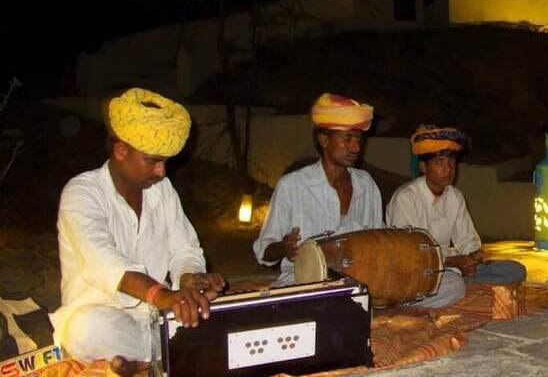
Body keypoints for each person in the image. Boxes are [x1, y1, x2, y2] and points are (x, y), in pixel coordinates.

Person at [49, 88, 225, 376]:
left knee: (209, 311)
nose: (162, 172)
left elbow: (185, 250)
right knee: (85, 329)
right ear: (122, 150)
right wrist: (163, 295)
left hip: (158, 317)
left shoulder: (162, 190)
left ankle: (145, 360)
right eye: (154, 161)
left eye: (165, 161)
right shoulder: (82, 192)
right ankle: (168, 352)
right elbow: (105, 263)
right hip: (106, 318)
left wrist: (191, 279)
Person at [386, 125, 527, 308]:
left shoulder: (455, 196)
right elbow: (410, 256)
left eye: (451, 162)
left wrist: (475, 256)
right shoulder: (406, 198)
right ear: (424, 166)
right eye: (440, 162)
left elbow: (468, 241)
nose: (448, 169)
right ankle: (435, 297)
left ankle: (460, 290)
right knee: (454, 285)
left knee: (515, 270)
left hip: (453, 270)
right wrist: (453, 261)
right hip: (416, 274)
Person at [253, 93, 383, 285]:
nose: (356, 147)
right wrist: (284, 248)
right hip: (303, 283)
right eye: (347, 138)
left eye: (358, 139)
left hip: (357, 282)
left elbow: (378, 242)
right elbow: (263, 250)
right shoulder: (293, 186)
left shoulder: (367, 185)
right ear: (324, 140)